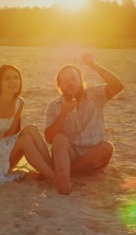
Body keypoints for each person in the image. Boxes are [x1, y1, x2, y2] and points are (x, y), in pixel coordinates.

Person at [44, 53, 124, 194]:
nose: (71, 83)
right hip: (69, 154)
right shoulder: (54, 105)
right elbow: (49, 138)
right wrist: (62, 115)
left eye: (74, 78)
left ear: (81, 79)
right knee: (59, 138)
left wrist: (93, 65)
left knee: (106, 146)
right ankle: (65, 175)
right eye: (65, 81)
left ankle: (66, 173)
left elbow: (117, 86)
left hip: (93, 156)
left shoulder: (95, 95)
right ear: (60, 85)